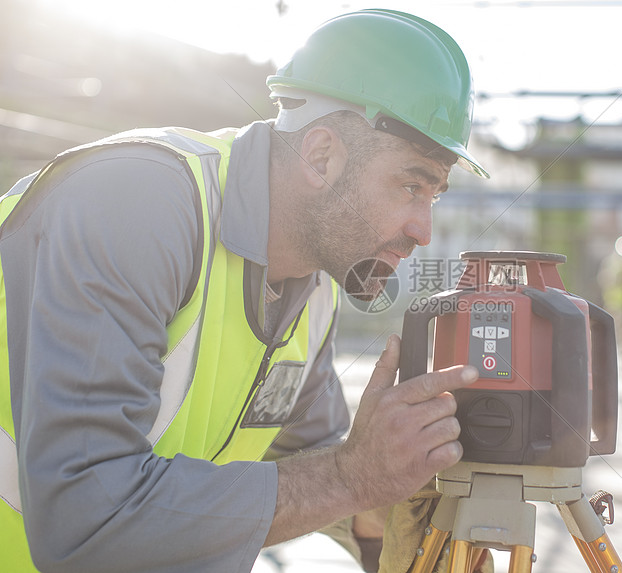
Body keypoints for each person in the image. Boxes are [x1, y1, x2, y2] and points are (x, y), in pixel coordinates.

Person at [0, 9, 489, 573]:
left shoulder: (316, 286)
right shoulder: (137, 204)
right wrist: (352, 478)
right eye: (411, 184)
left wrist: (376, 507)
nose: (422, 230)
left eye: (435, 195)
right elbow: (85, 517)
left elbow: (307, 463)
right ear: (322, 154)